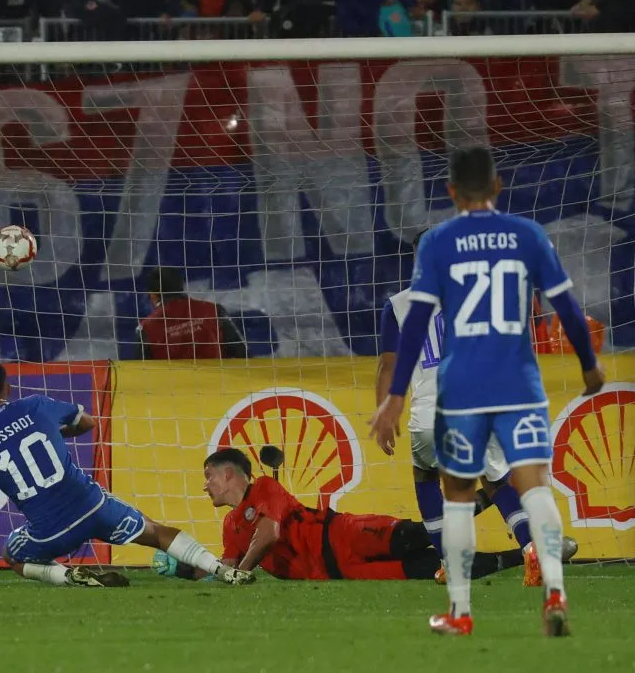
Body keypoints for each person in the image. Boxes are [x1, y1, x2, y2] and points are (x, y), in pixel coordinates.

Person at [369, 147, 605, 637]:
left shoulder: (438, 242)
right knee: (531, 483)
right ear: (498, 187)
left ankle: (460, 610)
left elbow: (412, 330)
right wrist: (589, 364)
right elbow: (566, 305)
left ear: (451, 191)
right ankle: (555, 591)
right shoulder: (527, 235)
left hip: (461, 388)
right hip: (518, 380)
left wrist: (393, 397)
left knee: (456, 494)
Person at [0, 360, 255, 588]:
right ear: (7, 387)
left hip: (51, 530)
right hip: (93, 505)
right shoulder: (37, 405)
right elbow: (86, 421)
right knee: (157, 533)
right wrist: (60, 430)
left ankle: (67, 576)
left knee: (12, 553)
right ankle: (222, 571)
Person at [377, 229, 578, 586]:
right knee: (498, 481)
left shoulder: (398, 305)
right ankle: (534, 548)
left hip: (428, 411)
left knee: (425, 478)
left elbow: (389, 367)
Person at [153, 449, 524, 583]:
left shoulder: (264, 488)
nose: (205, 486)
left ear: (229, 473)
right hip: (340, 571)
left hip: (343, 534)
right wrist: (183, 567)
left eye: (208, 476)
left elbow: (270, 534)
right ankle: (521, 557)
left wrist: (241, 570)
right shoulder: (230, 525)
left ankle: (494, 494)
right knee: (431, 568)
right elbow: (224, 568)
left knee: (420, 533)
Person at [136, 267, 248, 360]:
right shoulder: (213, 310)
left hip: (174, 385)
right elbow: (242, 353)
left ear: (153, 295)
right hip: (217, 383)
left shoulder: (146, 329)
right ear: (181, 287)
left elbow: (143, 374)